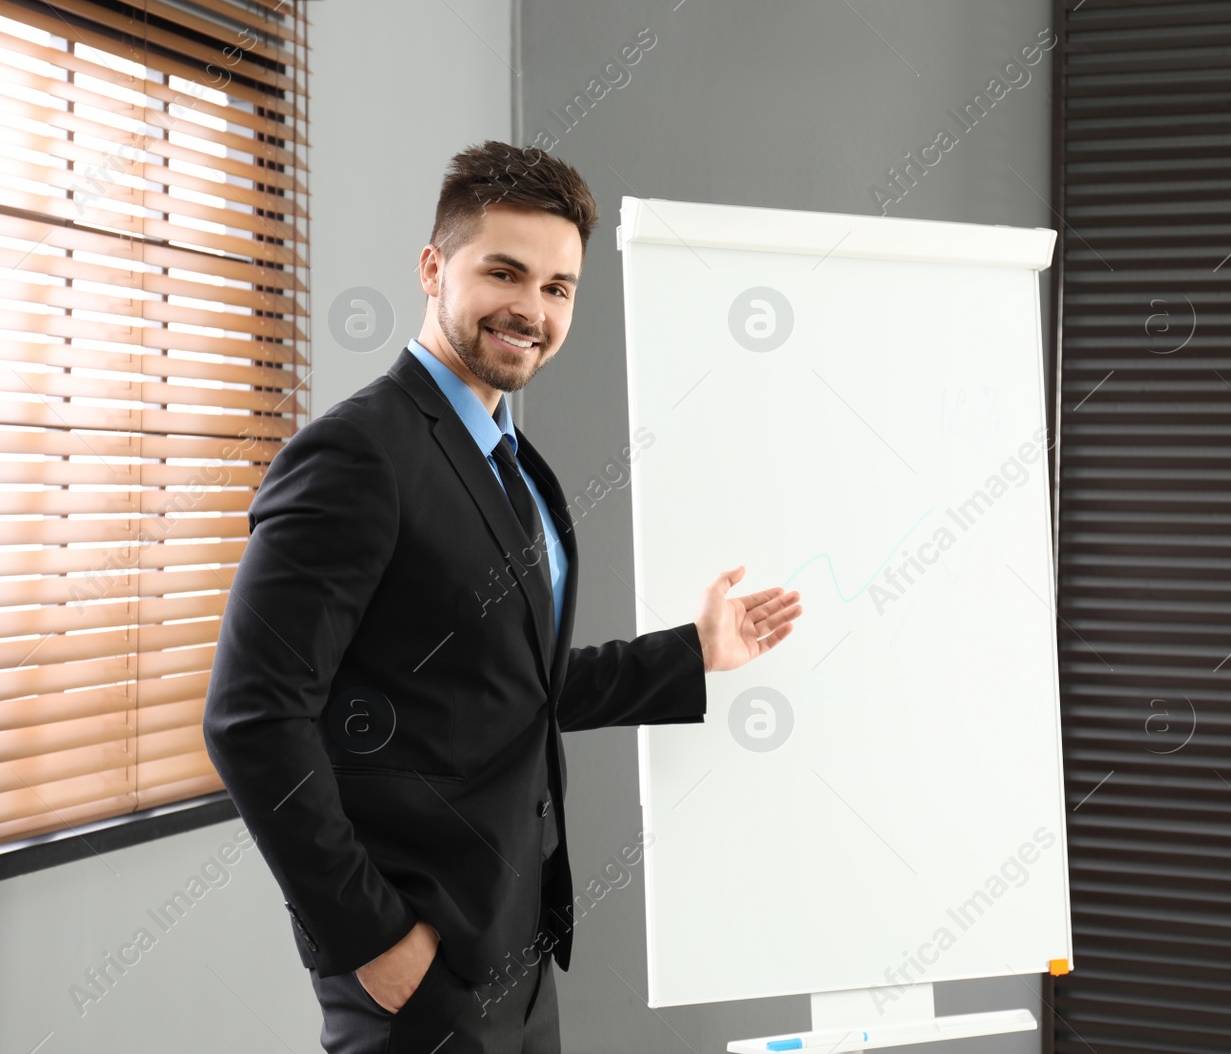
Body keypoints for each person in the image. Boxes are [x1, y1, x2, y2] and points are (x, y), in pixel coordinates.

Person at [203, 140, 803, 1053]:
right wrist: (377, 945)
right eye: (506, 272)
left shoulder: (511, 461)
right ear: (434, 268)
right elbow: (252, 718)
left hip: (516, 945)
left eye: (559, 287)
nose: (532, 309)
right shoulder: (359, 455)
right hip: (418, 962)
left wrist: (693, 650)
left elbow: (514, 680)